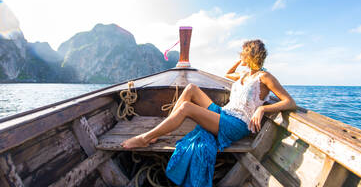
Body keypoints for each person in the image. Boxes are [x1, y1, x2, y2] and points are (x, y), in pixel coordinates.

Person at [120, 39, 297, 186]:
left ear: (250, 55)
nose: (239, 55)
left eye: (242, 53)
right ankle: (162, 128)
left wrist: (262, 108)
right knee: (190, 88)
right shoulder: (244, 75)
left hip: (237, 124)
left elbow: (290, 102)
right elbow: (228, 73)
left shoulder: (265, 77)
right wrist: (243, 62)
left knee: (186, 108)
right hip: (224, 113)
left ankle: (145, 138)